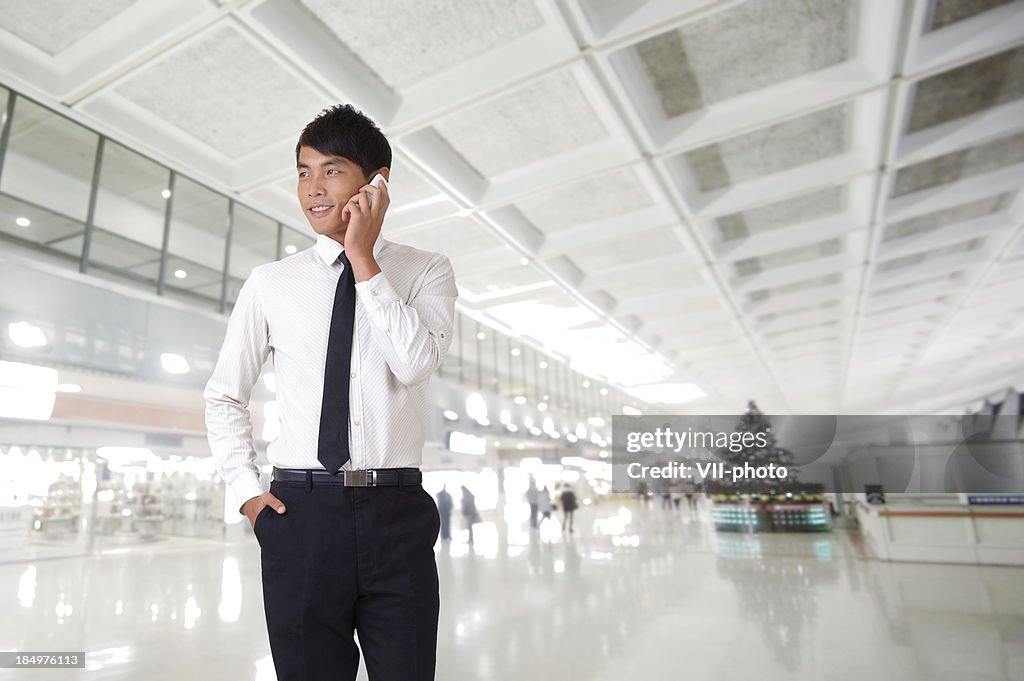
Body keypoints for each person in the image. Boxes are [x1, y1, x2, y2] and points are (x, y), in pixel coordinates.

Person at [204, 104, 457, 681]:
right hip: (302, 514)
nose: (313, 189)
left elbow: (415, 363)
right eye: (302, 172)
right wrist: (247, 495)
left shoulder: (425, 272)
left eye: (332, 170)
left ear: (377, 182)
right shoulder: (271, 284)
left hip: (397, 513)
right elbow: (224, 395)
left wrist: (364, 259)